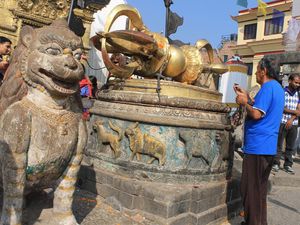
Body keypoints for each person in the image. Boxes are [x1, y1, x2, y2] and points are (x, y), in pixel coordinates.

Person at [234, 57, 284, 225]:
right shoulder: (277, 88)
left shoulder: (267, 87)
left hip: (258, 146)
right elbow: (260, 107)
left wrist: (243, 102)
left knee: (250, 191)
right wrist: (247, 97)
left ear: (264, 71)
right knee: (259, 191)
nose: (255, 73)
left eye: (257, 70)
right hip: (268, 146)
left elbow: (256, 114)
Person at [272, 74, 300, 174]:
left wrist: (291, 119)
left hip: (293, 123)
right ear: (290, 81)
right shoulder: (283, 92)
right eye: (295, 82)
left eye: (298, 83)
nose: (297, 84)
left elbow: (299, 110)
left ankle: (288, 165)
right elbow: (280, 108)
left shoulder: (299, 93)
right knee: (279, 144)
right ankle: (275, 163)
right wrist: (294, 112)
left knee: (290, 146)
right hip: (282, 121)